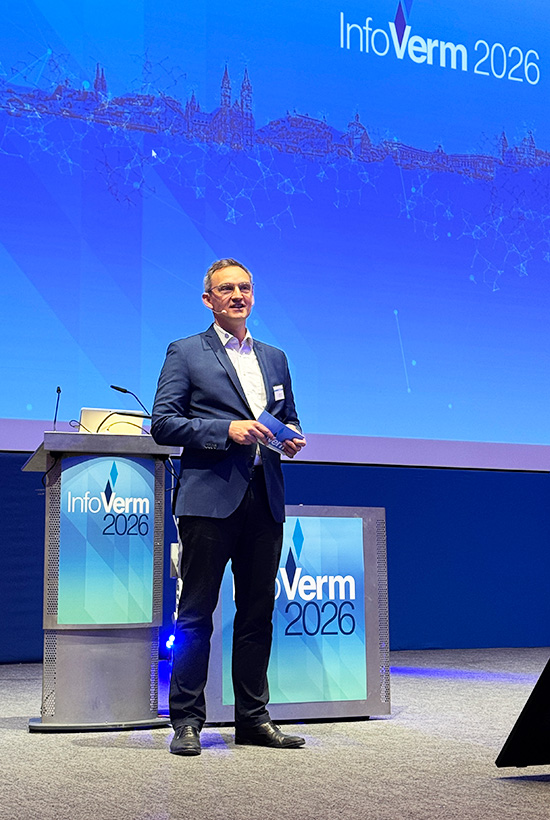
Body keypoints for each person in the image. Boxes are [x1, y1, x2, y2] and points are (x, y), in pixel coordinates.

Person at [151, 258, 306, 756]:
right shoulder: (185, 352)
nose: (237, 295)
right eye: (226, 289)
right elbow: (163, 424)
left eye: (244, 287)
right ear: (208, 300)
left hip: (265, 497)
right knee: (196, 614)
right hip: (209, 500)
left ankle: (253, 719)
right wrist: (226, 430)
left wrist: (290, 438)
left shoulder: (275, 358)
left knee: (258, 613)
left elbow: (288, 416)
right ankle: (186, 721)